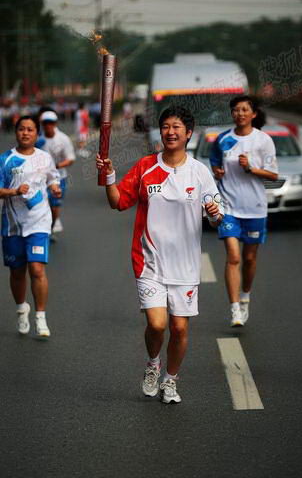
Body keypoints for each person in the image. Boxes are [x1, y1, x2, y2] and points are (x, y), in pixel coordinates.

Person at [96, 106, 224, 404]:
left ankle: (171, 379)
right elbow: (118, 202)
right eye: (166, 126)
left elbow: (217, 215)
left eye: (177, 127)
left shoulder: (199, 172)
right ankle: (153, 364)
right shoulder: (145, 167)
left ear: (188, 133)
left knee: (179, 328)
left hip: (185, 265)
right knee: (157, 324)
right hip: (148, 260)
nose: (171, 131)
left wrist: (215, 214)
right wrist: (109, 175)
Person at [210, 95, 278, 327]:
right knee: (234, 257)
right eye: (236, 110)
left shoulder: (263, 141)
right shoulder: (223, 139)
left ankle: (245, 296)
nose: (239, 113)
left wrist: (251, 168)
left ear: (253, 114)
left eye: (244, 109)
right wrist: (217, 172)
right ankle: (234, 309)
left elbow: (273, 175)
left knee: (249, 258)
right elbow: (215, 164)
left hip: (255, 208)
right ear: (232, 114)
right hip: (228, 206)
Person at [0, 116, 61, 337]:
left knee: (37, 270)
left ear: (37, 134)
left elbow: (52, 178)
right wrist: (14, 192)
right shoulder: (5, 160)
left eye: (30, 129)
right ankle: (21, 310)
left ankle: (40, 317)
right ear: (16, 132)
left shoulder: (45, 158)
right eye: (22, 129)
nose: (26, 133)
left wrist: (54, 188)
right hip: (13, 224)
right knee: (17, 273)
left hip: (39, 221)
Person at [40, 110, 76, 237]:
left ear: (55, 123)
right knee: (41, 206)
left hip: (59, 177)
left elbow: (71, 159)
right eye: (45, 122)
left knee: (55, 207)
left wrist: (56, 166)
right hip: (40, 179)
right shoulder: (38, 138)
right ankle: (41, 231)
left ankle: (50, 228)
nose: (48, 125)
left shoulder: (63, 139)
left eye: (51, 122)